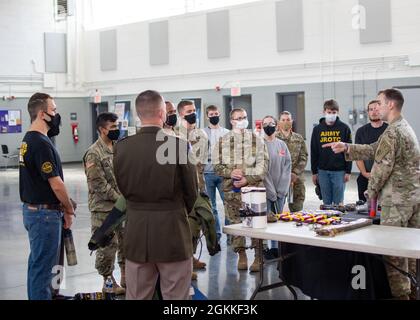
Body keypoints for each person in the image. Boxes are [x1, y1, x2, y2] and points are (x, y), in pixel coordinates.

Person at [324, 88, 420, 300]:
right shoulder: (403, 127)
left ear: (391, 105)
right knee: (411, 254)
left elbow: (381, 167)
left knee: (394, 254)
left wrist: (371, 193)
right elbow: (374, 148)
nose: (377, 106)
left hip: (396, 203)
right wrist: (346, 146)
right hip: (412, 201)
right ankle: (413, 293)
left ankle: (401, 296)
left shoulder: (393, 131)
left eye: (381, 102)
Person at [113, 90, 198, 300]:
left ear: (138, 114)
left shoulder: (122, 148)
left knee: (137, 296)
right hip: (172, 231)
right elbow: (192, 192)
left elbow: (122, 187)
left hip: (137, 232)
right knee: (176, 297)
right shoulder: (177, 145)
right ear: (162, 113)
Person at [19, 93, 75, 300]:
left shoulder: (29, 139)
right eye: (54, 110)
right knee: (43, 270)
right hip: (44, 215)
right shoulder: (40, 143)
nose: (57, 115)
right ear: (42, 114)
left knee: (39, 266)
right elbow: (56, 184)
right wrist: (68, 208)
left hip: (36, 212)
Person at [214, 108, 268, 272]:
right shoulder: (222, 142)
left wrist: (247, 179)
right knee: (236, 225)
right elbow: (217, 166)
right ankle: (241, 255)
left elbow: (264, 165)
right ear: (232, 121)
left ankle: (259, 257)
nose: (243, 120)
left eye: (244, 117)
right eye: (239, 118)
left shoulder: (257, 140)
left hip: (253, 191)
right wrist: (230, 173)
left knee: (257, 225)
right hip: (232, 193)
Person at [83, 112, 125, 295]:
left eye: (117, 126)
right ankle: (108, 283)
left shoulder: (120, 148)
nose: (116, 130)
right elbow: (98, 184)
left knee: (126, 244)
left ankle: (125, 276)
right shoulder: (94, 153)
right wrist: (120, 199)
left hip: (123, 207)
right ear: (102, 130)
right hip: (103, 208)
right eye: (112, 128)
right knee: (107, 246)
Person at [176, 100, 208, 276]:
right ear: (181, 114)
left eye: (194, 110)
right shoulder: (174, 135)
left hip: (198, 185)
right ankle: (184, 262)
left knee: (196, 225)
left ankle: (191, 256)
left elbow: (199, 162)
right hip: (181, 190)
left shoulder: (201, 134)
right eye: (189, 111)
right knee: (183, 227)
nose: (192, 113)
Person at [310, 99, 352, 205]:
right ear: (324, 112)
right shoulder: (317, 129)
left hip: (339, 171)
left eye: (334, 113)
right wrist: (314, 172)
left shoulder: (344, 128)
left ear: (338, 112)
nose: (331, 115)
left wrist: (348, 171)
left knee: (338, 203)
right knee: (326, 203)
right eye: (329, 112)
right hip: (322, 171)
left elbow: (349, 150)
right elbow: (314, 151)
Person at [262, 116, 291, 251]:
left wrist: (281, 189)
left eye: (271, 123)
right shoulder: (260, 145)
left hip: (280, 191)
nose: (269, 126)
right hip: (265, 191)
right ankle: (264, 249)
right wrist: (270, 190)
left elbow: (287, 166)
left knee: (278, 221)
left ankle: (276, 248)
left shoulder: (282, 145)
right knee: (264, 221)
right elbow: (262, 170)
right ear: (262, 126)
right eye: (266, 124)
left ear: (276, 125)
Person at [202, 105, 230, 243]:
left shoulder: (226, 132)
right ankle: (217, 235)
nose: (214, 116)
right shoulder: (201, 133)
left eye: (216, 114)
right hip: (207, 174)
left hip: (223, 174)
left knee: (228, 205)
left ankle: (230, 235)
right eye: (211, 114)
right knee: (212, 207)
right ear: (207, 116)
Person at [355, 100, 388, 202]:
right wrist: (365, 173)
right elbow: (358, 155)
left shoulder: (389, 130)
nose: (374, 112)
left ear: (382, 111)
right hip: (365, 177)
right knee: (365, 210)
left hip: (385, 178)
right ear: (368, 112)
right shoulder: (361, 131)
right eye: (371, 109)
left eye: (376, 109)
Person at [277, 111, 308, 212]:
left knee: (297, 209)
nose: (286, 122)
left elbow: (304, 157)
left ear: (292, 121)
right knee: (277, 210)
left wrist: (295, 172)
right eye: (283, 120)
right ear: (279, 122)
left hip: (296, 180)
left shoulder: (298, 138)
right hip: (278, 179)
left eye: (288, 120)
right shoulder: (274, 138)